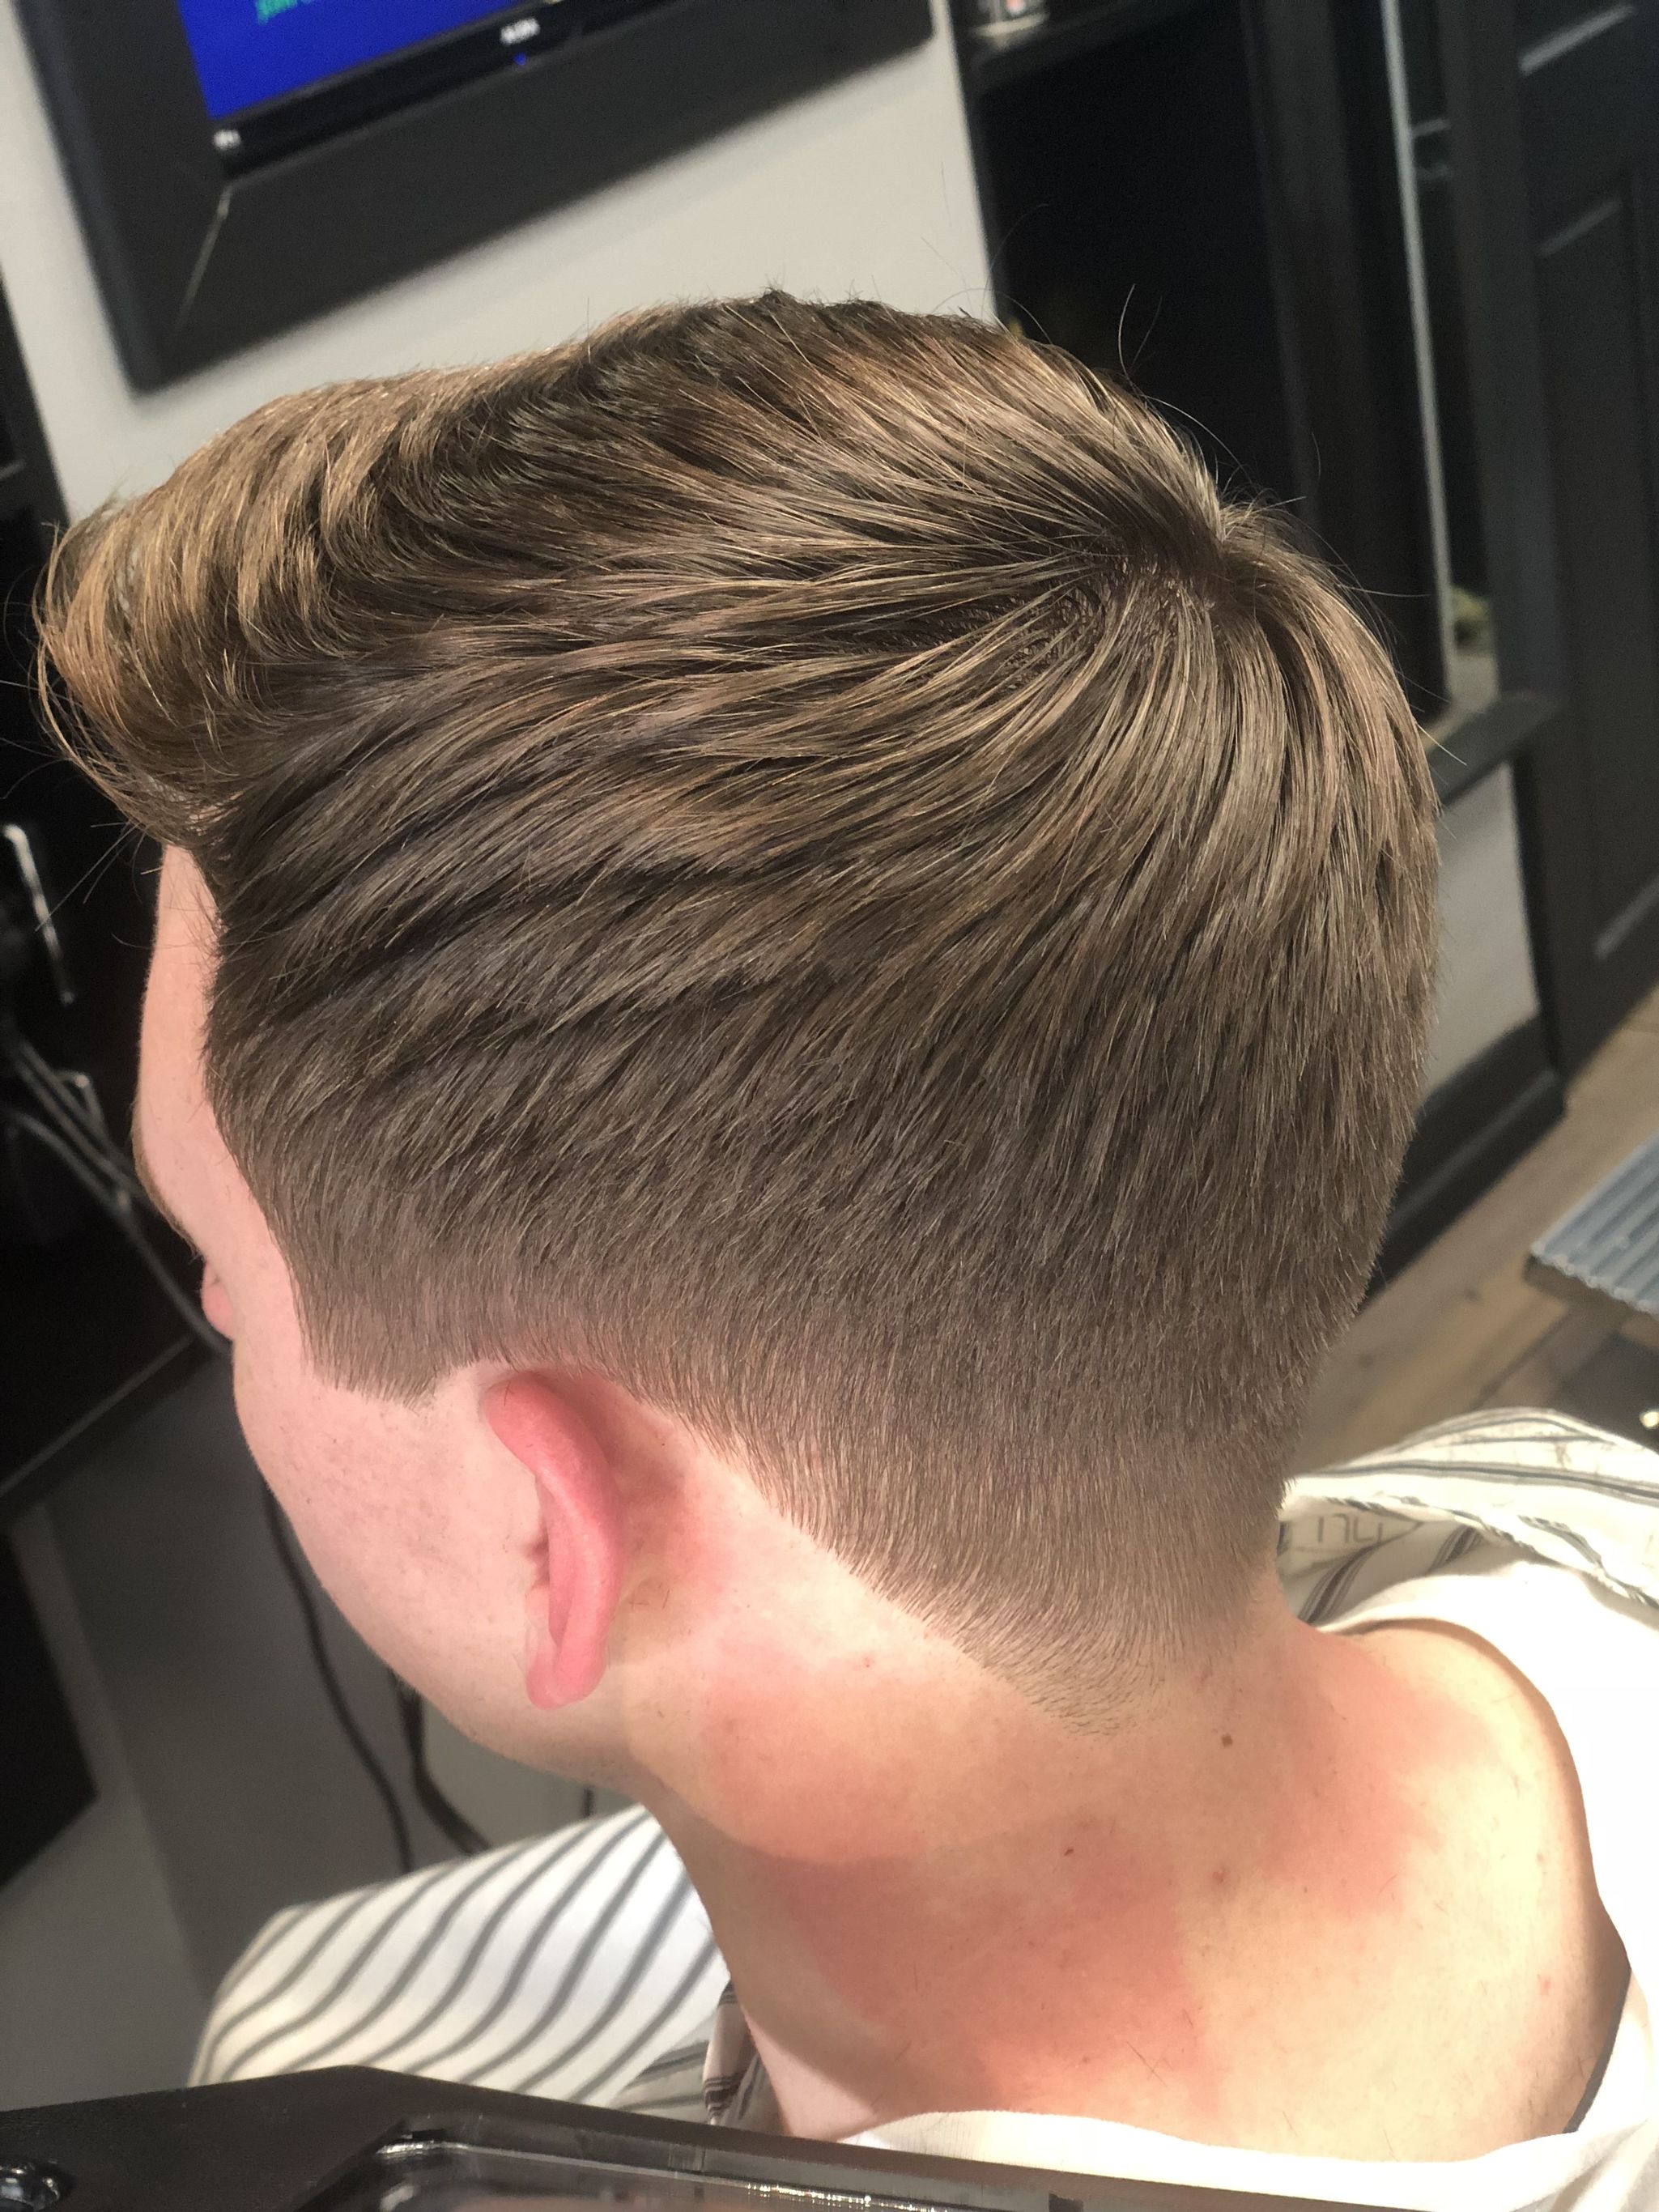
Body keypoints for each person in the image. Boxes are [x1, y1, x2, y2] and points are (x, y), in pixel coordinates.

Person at [37, 296, 1658, 2210]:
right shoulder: (1580, 1506)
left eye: (220, 1253)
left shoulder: (318, 2064)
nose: (215, 1302)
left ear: (557, 1523)